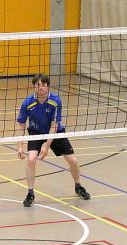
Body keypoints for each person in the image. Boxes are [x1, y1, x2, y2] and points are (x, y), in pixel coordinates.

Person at [16, 74, 90, 207]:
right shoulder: (27, 103)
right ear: (34, 86)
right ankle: (30, 193)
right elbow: (21, 125)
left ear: (48, 86)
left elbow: (54, 125)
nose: (41, 88)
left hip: (55, 132)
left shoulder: (55, 101)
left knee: (73, 161)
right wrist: (20, 146)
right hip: (36, 132)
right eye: (38, 85)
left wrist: (46, 146)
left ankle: (78, 186)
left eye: (43, 85)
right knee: (31, 159)